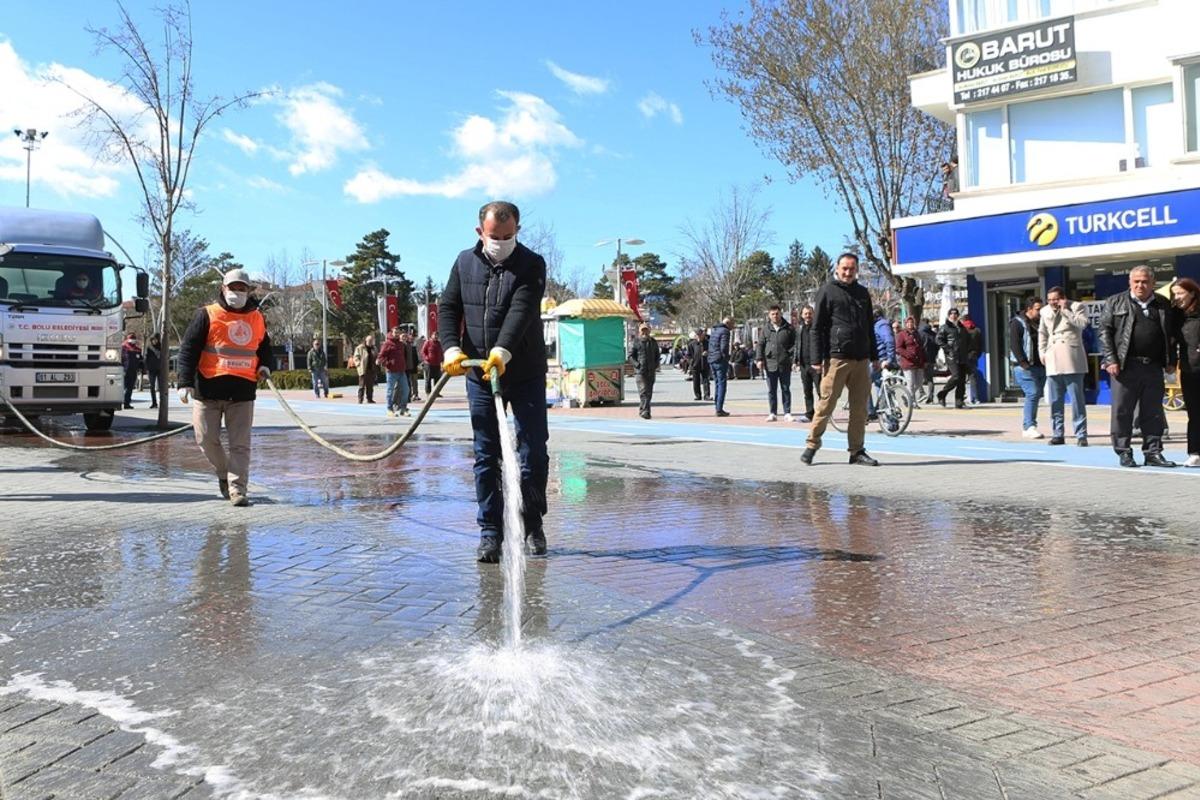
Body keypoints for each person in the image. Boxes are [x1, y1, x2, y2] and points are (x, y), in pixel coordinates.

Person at [438, 200, 549, 563]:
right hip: (479, 374)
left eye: (508, 236)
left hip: (524, 372)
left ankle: (531, 524)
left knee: (533, 453)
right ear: (480, 232)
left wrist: (503, 350)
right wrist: (451, 347)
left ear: (517, 231)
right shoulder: (463, 263)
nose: (501, 242)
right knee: (486, 456)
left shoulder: (532, 264)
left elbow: (522, 311)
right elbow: (448, 307)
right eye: (494, 236)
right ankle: (490, 532)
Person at [176, 268, 273, 506]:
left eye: (242, 289)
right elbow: (188, 349)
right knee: (205, 439)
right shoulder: (206, 314)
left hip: (242, 392)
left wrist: (266, 366)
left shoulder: (257, 317)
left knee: (240, 445)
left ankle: (238, 489)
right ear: (223, 288)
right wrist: (185, 382)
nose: (237, 293)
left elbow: (265, 348)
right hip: (208, 390)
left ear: (249, 292)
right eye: (233, 288)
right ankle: (224, 473)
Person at [802, 252, 880, 467]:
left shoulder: (863, 293)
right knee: (826, 404)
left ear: (857, 270)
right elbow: (816, 328)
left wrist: (874, 356)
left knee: (860, 409)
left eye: (852, 269)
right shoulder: (827, 291)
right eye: (844, 268)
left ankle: (857, 451)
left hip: (861, 359)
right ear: (837, 268)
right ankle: (812, 444)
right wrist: (816, 359)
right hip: (836, 359)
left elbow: (869, 327)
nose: (848, 272)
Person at [1100, 265, 1177, 468]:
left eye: (1144, 281)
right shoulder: (1115, 301)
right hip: (1125, 366)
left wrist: (1171, 361)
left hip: (1153, 366)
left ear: (1153, 283)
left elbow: (1170, 335)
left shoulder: (1162, 303)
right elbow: (1104, 332)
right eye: (1136, 281)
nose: (1140, 285)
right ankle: (1124, 452)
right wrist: (1111, 359)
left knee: (1153, 412)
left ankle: (1153, 452)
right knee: (1122, 412)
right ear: (1130, 282)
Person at [1039, 287, 1089, 446]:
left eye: (1055, 299)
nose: (1052, 302)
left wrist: (1065, 310)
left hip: (1071, 358)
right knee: (1055, 400)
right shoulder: (1044, 311)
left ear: (1063, 298)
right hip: (1052, 358)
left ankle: (1081, 434)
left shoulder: (1077, 307)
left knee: (1077, 400)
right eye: (1049, 300)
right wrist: (1042, 352)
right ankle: (1058, 433)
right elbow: (1043, 333)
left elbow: (1082, 324)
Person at [1171, 278, 1200, 467]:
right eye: (1174, 294)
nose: (1177, 297)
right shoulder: (1176, 315)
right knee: (1194, 413)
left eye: (1180, 293)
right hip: (1189, 369)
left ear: (1192, 293)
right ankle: (1195, 452)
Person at [1009, 297, 1045, 438]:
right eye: (1038, 309)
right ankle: (1029, 426)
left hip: (1040, 365)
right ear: (1029, 309)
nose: (1040, 312)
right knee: (1033, 393)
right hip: (1024, 366)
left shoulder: (1041, 322)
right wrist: (1023, 362)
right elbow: (1015, 344)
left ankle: (1029, 425)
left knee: (1037, 395)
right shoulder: (1017, 323)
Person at [756, 305, 796, 422]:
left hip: (784, 363)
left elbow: (795, 345)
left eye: (777, 314)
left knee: (785, 388)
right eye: (772, 314)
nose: (775, 316)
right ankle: (773, 413)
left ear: (781, 314)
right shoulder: (765, 329)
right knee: (771, 390)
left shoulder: (789, 328)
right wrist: (759, 359)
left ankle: (787, 412)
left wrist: (792, 359)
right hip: (770, 364)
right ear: (769, 315)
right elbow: (760, 345)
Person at [936, 308, 970, 408]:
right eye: (951, 313)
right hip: (951, 356)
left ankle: (959, 401)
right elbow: (938, 340)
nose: (954, 315)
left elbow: (967, 340)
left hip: (962, 355)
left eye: (955, 314)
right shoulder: (945, 327)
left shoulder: (961, 327)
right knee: (956, 376)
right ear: (949, 315)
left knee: (962, 379)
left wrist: (968, 351)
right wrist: (948, 349)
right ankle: (942, 394)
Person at [869, 309, 896, 421]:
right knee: (881, 387)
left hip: (880, 360)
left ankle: (870, 412)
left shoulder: (881, 325)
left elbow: (889, 341)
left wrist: (889, 359)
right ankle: (888, 419)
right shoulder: (877, 325)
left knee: (863, 383)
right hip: (878, 359)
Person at [377, 327, 410, 417]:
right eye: (395, 332)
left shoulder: (401, 344)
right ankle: (389, 409)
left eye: (398, 332)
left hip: (401, 371)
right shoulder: (387, 343)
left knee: (406, 390)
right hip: (391, 372)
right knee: (390, 391)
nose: (397, 334)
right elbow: (381, 356)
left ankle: (403, 409)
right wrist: (386, 363)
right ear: (392, 333)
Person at [629, 322, 659, 420]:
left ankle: (643, 410)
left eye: (646, 330)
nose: (644, 333)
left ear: (649, 331)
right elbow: (630, 356)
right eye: (643, 331)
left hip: (651, 371)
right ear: (640, 332)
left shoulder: (653, 342)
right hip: (640, 372)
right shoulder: (636, 342)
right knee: (643, 391)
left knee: (649, 393)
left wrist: (655, 365)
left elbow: (657, 355)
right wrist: (637, 365)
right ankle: (645, 411)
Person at [895, 316, 927, 405]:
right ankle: (912, 402)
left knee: (919, 383)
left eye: (911, 322)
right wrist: (908, 354)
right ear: (905, 324)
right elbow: (898, 348)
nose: (910, 324)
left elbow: (921, 347)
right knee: (911, 383)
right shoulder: (902, 334)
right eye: (908, 322)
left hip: (919, 362)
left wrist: (924, 360)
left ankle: (906, 396)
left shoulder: (917, 333)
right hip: (908, 362)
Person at [794, 305, 817, 422]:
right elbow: (797, 345)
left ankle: (825, 414)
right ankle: (809, 413)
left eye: (810, 313)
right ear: (802, 315)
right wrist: (795, 361)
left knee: (821, 391)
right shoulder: (799, 329)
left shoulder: (818, 327)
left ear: (813, 314)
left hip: (816, 365)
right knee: (807, 391)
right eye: (806, 314)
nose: (808, 316)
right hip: (804, 365)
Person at [708, 317, 733, 416]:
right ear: (728, 323)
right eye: (732, 324)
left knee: (717, 383)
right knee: (722, 384)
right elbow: (724, 347)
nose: (733, 326)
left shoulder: (714, 330)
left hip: (712, 359)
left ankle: (717, 406)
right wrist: (726, 358)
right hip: (720, 360)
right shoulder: (725, 331)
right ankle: (719, 408)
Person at [961, 313, 984, 404]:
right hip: (973, 355)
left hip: (963, 356)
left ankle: (962, 397)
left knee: (962, 377)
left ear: (963, 320)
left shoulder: (961, 330)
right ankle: (975, 398)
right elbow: (980, 345)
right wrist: (977, 354)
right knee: (972, 377)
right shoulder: (977, 330)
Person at [917, 318, 940, 403]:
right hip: (931, 358)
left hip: (921, 358)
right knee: (930, 378)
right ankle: (931, 396)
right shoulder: (933, 334)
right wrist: (934, 355)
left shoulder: (918, 333)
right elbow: (937, 346)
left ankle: (921, 392)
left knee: (918, 377)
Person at [120, 332, 143, 409]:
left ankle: (127, 403)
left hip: (133, 371)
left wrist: (141, 368)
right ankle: (121, 402)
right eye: (131, 339)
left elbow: (140, 360)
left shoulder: (137, 349)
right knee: (124, 387)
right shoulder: (123, 347)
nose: (132, 340)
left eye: (134, 339)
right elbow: (120, 359)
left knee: (130, 388)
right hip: (124, 370)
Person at [353, 335, 377, 404]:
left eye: (371, 341)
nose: (370, 342)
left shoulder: (374, 348)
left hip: (371, 369)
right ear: (366, 341)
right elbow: (356, 357)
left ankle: (370, 399)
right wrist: (358, 365)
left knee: (370, 386)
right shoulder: (360, 347)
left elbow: (377, 356)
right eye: (369, 341)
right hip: (363, 369)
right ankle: (360, 399)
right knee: (362, 386)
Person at [688, 329, 710, 401]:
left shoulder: (707, 343)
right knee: (696, 381)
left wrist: (708, 353)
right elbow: (689, 355)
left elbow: (711, 351)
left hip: (705, 364)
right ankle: (698, 395)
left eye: (701, 335)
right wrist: (691, 363)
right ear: (696, 336)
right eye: (698, 335)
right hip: (695, 364)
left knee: (706, 380)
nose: (700, 337)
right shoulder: (692, 344)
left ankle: (707, 395)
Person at [421, 331, 443, 396]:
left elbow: (441, 352)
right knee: (428, 379)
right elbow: (423, 352)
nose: (436, 336)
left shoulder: (439, 343)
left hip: (437, 364)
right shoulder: (428, 342)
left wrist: (442, 360)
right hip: (429, 364)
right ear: (431, 336)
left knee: (437, 379)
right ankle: (428, 392)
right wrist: (426, 358)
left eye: (437, 335)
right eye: (435, 335)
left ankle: (436, 392)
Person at [145, 334, 164, 409]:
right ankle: (154, 402)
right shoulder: (149, 348)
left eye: (155, 339)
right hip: (151, 369)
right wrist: (146, 368)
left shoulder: (162, 347)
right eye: (153, 339)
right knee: (152, 386)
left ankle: (162, 402)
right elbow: (146, 358)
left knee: (161, 387)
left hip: (160, 369)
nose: (154, 341)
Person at [405, 331, 421, 403]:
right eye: (410, 338)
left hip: (414, 367)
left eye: (412, 338)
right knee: (409, 382)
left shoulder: (414, 347)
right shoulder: (405, 346)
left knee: (415, 382)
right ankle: (410, 395)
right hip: (408, 367)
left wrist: (417, 365)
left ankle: (415, 394)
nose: (412, 339)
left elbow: (416, 358)